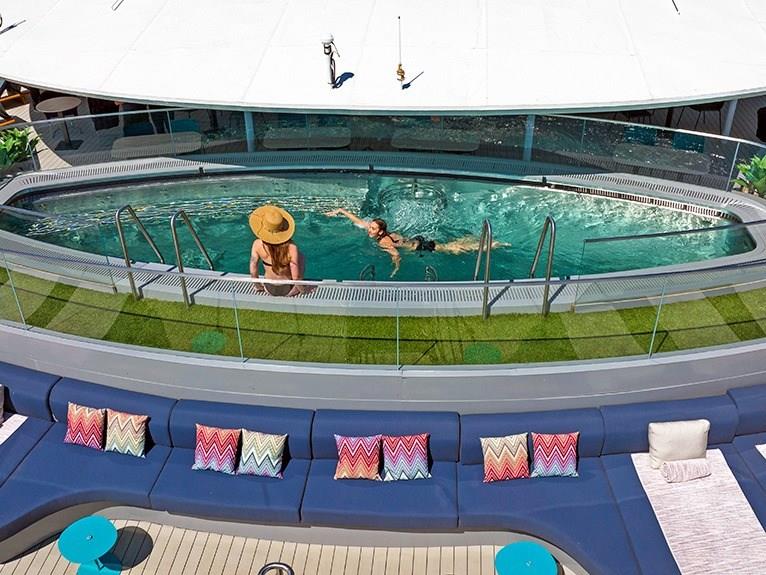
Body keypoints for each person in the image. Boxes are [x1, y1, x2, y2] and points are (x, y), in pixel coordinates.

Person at [325, 207, 508, 277]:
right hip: (416, 240)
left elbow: (396, 256)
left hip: (423, 247)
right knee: (453, 244)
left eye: (372, 228)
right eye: (370, 227)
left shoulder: (383, 242)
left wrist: (396, 269)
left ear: (380, 231)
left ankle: (492, 245)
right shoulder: (380, 232)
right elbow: (358, 221)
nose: (369, 230)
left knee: (454, 249)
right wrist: (340, 210)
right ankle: (477, 240)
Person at [249, 205, 306, 296]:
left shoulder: (257, 244)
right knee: (301, 256)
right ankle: (297, 289)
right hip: (288, 290)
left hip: (269, 288)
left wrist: (257, 285)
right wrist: (302, 290)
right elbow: (296, 276)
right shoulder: (291, 247)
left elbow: (253, 267)